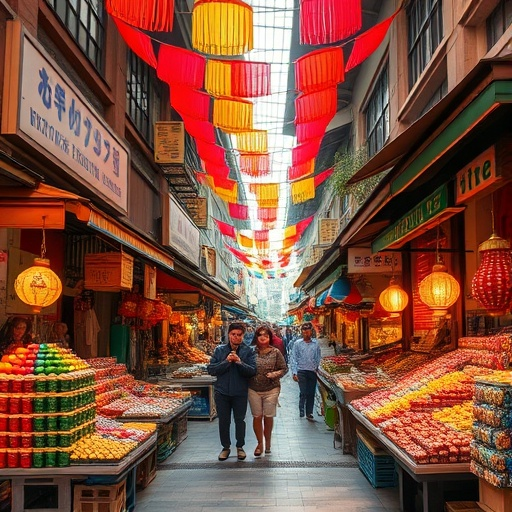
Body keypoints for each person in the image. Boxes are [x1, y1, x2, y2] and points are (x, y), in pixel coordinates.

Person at [207, 322, 257, 461]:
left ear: (243, 336)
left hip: (240, 392)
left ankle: (240, 446)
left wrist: (240, 362)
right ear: (229, 335)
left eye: (239, 335)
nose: (236, 337)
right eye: (233, 334)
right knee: (224, 421)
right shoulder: (220, 351)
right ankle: (225, 447)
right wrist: (226, 362)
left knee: (240, 420)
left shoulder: (248, 351)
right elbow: (211, 369)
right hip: (222, 392)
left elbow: (252, 371)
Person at [248, 325, 287, 457]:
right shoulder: (251, 352)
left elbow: (284, 368)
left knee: (268, 416)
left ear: (270, 337)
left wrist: (275, 374)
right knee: (257, 416)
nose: (263, 337)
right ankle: (260, 443)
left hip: (272, 388)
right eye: (260, 335)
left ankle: (268, 442)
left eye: (266, 335)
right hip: (253, 388)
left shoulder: (275, 352)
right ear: (256, 337)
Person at [290, 321, 321, 420]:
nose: (306, 333)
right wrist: (294, 372)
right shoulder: (297, 344)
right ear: (302, 332)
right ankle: (301, 409)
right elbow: (293, 358)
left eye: (308, 331)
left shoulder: (316, 344)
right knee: (303, 392)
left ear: (311, 332)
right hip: (301, 371)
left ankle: (309, 412)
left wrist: (316, 368)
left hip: (312, 371)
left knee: (311, 392)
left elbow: (318, 357)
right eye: (304, 331)